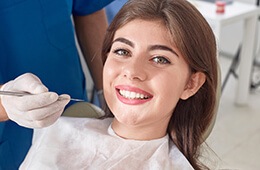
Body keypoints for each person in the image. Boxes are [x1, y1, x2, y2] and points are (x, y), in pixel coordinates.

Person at [1, 0, 219, 169]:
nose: (132, 72)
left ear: (191, 84)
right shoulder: (57, 137)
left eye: (160, 59)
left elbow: (89, 9)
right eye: (122, 51)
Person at [0, 0, 114, 169]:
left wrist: (108, 93)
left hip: (74, 116)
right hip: (10, 143)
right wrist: (5, 103)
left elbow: (89, 7)